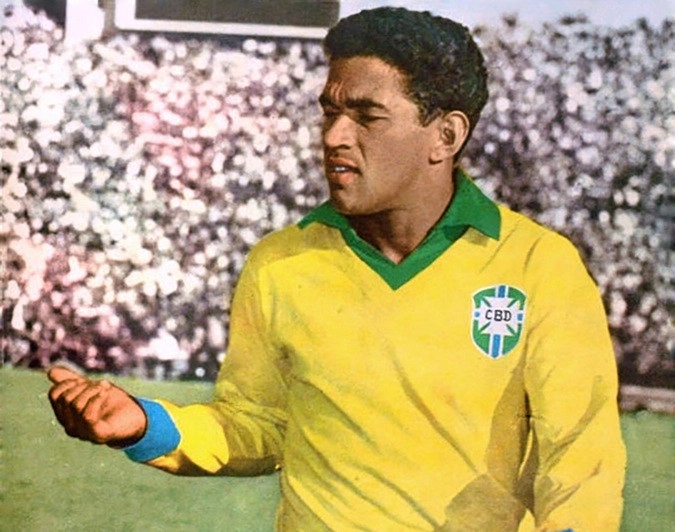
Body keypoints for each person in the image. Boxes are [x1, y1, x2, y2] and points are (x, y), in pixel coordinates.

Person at [48, 7, 626, 531]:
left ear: (445, 136)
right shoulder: (280, 262)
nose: (333, 136)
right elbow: (256, 424)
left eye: (366, 116)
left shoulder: (538, 266)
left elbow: (581, 460)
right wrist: (145, 424)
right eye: (330, 112)